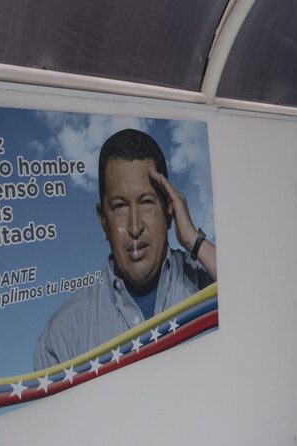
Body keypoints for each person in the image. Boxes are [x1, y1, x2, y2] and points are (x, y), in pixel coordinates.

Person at [34, 129, 216, 370]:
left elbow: (258, 304)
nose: (134, 226)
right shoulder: (62, 336)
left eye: (147, 202)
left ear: (170, 210)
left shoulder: (209, 284)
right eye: (120, 206)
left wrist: (194, 240)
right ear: (103, 221)